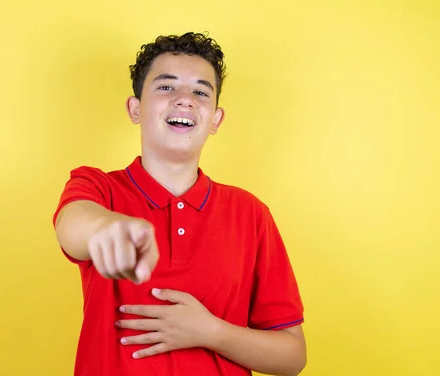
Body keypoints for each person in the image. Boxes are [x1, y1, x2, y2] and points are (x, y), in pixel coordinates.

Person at [52, 32, 306, 376]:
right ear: (135, 109)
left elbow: (292, 357)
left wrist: (211, 332)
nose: (185, 99)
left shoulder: (250, 213)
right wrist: (106, 228)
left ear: (215, 119)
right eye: (166, 87)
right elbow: (72, 224)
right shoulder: (100, 188)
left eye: (200, 91)